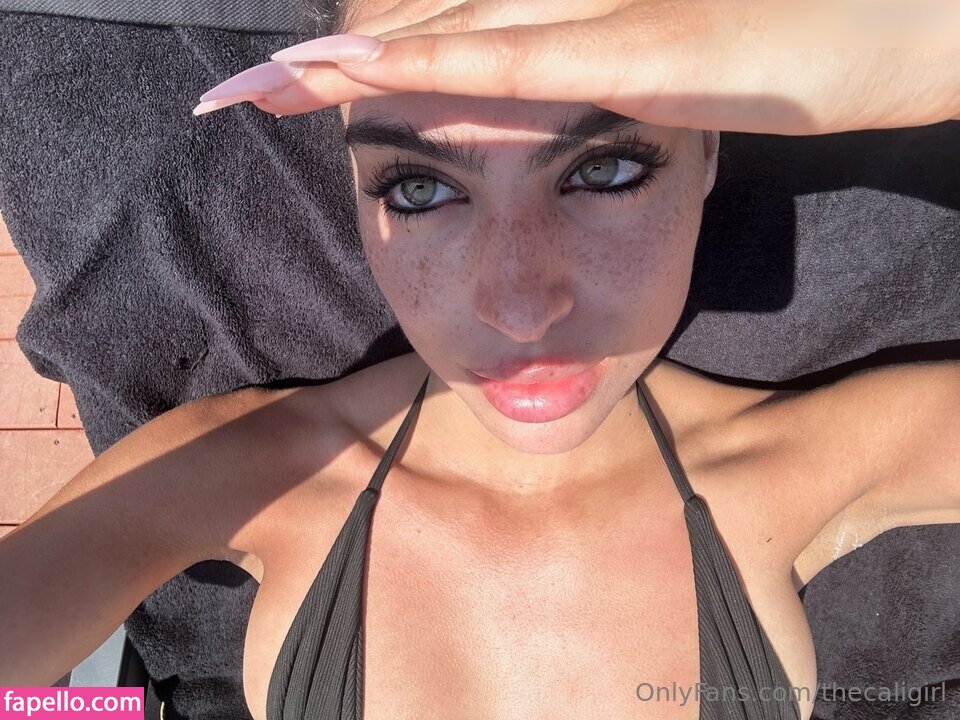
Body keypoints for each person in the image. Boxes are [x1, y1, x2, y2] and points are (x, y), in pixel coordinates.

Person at [1, 1, 958, 719]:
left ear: (708, 149)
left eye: (604, 170)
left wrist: (917, 47)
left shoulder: (810, 462)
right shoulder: (246, 470)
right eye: (418, 188)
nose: (519, 309)